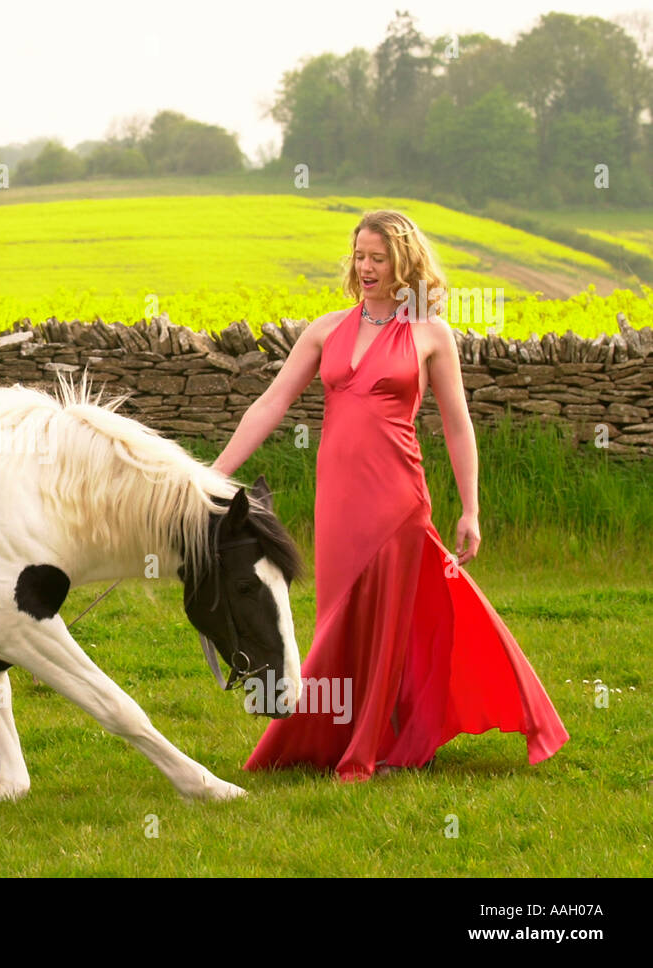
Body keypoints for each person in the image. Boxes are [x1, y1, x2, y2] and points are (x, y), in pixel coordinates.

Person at [212, 210, 569, 781]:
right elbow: (272, 403)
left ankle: (374, 742)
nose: (367, 267)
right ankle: (337, 735)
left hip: (399, 498)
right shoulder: (326, 328)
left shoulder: (432, 335)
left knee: (387, 616)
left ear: (403, 261)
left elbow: (457, 424)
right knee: (336, 616)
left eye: (378, 257)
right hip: (338, 501)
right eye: (360, 256)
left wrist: (471, 508)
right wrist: (217, 473)